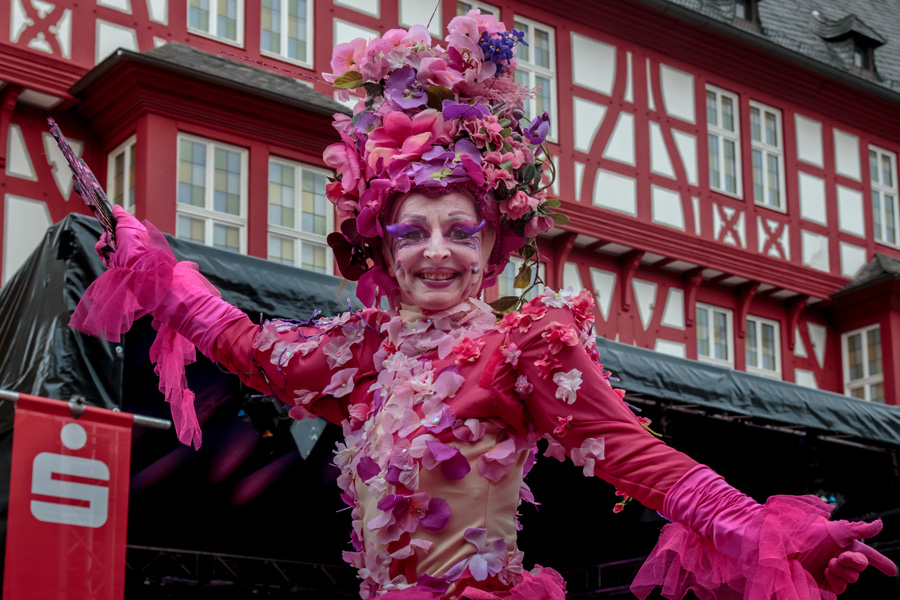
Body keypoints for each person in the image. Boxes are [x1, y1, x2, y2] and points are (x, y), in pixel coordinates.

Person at [69, 10, 896, 600]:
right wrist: (160, 270)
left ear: (492, 249)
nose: (436, 251)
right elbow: (248, 347)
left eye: (461, 232)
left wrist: (766, 529)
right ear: (384, 248)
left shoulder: (526, 347)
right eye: (415, 231)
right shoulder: (364, 353)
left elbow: (636, 459)